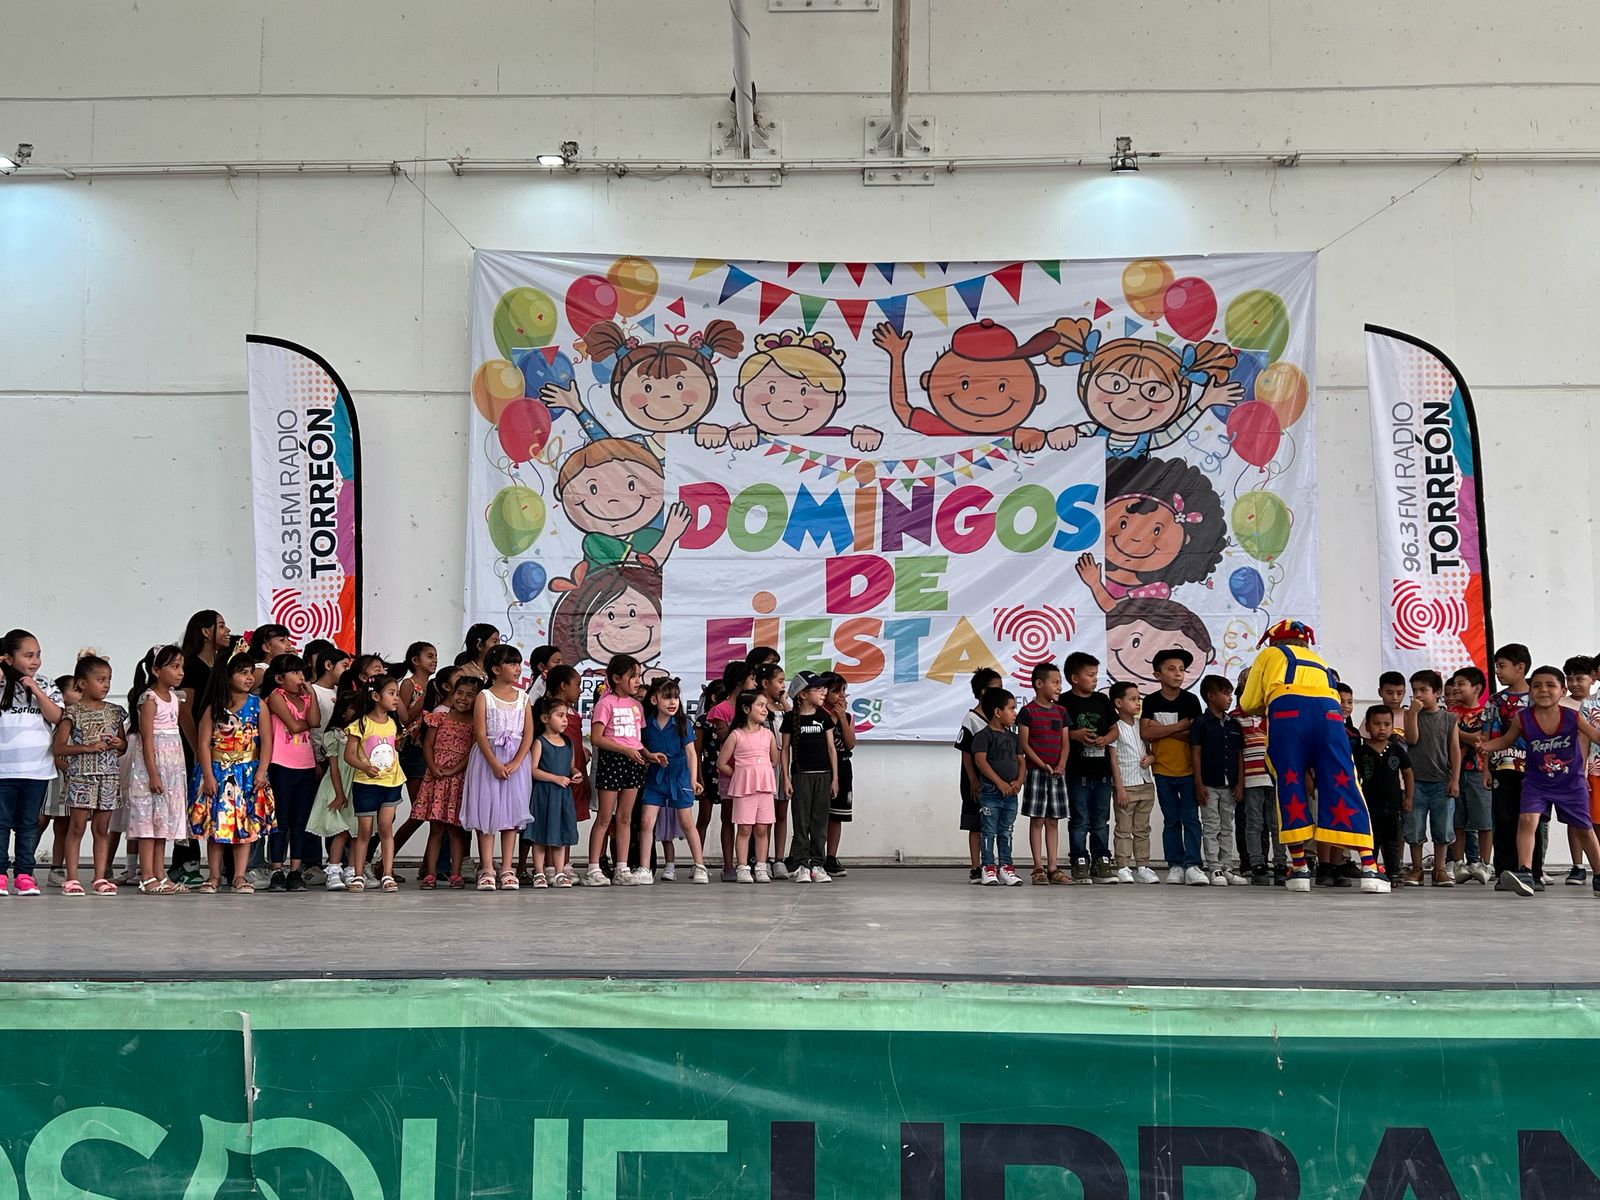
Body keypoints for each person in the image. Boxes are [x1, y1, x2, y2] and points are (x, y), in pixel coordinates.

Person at [1239, 620, 1385, 894]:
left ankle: (1299, 868)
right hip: (1329, 718)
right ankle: (1369, 867)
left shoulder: (1270, 654)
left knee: (1289, 785)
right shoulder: (1319, 661)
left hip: (1287, 717)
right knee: (1344, 782)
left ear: (1274, 642)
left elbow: (1248, 703)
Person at [1481, 664, 1600, 897]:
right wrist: (1485, 746)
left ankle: (1598, 874)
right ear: (1530, 691)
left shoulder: (1572, 716)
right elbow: (1506, 740)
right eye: (1536, 685)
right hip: (1536, 782)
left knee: (1584, 830)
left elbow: (1595, 735)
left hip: (1570, 783)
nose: (1543, 690)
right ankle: (1525, 872)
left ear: (1562, 691)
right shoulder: (1523, 718)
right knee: (1526, 820)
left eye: (1550, 685)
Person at [193, 653, 274, 895]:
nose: (249, 678)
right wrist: (208, 775)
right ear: (227, 677)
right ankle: (214, 875)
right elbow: (203, 743)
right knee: (217, 824)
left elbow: (267, 741)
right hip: (219, 772)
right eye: (242, 673)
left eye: (250, 672)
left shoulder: (258, 705)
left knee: (245, 825)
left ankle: (239, 876)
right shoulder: (214, 707)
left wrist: (262, 771)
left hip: (248, 773)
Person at [52, 654, 127, 897]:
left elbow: (123, 746)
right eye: (100, 679)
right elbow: (59, 747)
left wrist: (119, 743)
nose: (106, 685)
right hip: (81, 777)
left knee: (102, 828)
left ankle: (100, 877)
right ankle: (72, 878)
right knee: (76, 827)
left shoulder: (115, 712)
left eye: (109, 679)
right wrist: (87, 747)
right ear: (82, 683)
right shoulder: (72, 712)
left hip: (109, 776)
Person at [461, 644, 534, 891]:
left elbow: (528, 733)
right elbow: (480, 734)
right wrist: (494, 763)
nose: (517, 668)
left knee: (512, 814)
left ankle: (507, 868)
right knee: (488, 810)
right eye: (511, 663)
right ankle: (487, 868)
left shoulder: (524, 698)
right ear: (495, 669)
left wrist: (517, 761)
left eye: (518, 663)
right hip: (488, 760)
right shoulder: (485, 697)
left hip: (516, 761)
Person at [125, 645, 189, 895]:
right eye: (174, 667)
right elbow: (147, 739)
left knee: (163, 822)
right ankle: (147, 876)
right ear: (156, 670)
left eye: (181, 667)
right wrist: (153, 774)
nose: (180, 672)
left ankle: (160, 874)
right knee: (147, 822)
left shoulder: (175, 697)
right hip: (153, 767)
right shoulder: (149, 699)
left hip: (172, 767)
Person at [175, 610, 231, 888]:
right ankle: (185, 862)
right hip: (193, 743)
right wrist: (197, 746)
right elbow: (185, 712)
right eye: (221, 626)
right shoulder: (191, 666)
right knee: (191, 799)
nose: (227, 630)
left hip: (220, 745)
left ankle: (228, 865)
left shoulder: (222, 664)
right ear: (206, 632)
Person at [1141, 647, 1204, 885]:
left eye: (1182, 669)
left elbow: (1194, 735)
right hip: (1162, 769)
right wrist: (1179, 726)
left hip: (1188, 769)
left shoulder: (1191, 700)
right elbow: (1146, 732)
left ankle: (1193, 864)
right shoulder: (1151, 701)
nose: (1178, 673)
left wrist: (1162, 730)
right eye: (1171, 669)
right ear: (1158, 675)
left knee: (1191, 818)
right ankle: (1175, 864)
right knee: (1171, 819)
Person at [586, 653, 648, 886]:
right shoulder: (605, 703)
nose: (637, 681)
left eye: (639, 675)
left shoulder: (636, 706)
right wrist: (624, 750)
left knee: (625, 817)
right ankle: (593, 868)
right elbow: (597, 738)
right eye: (633, 676)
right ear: (616, 678)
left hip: (633, 762)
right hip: (612, 762)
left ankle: (622, 867)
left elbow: (636, 739)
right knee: (605, 817)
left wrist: (648, 754)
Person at [639, 677, 709, 883]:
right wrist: (650, 756)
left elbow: (691, 753)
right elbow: (640, 747)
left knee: (687, 822)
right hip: (655, 776)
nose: (672, 702)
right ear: (654, 700)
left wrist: (693, 779)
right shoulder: (646, 723)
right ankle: (645, 868)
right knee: (646, 821)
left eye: (676, 697)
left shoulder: (683, 723)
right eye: (667, 697)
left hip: (680, 777)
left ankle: (700, 865)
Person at [415, 674, 481, 889]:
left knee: (455, 830)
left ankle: (456, 874)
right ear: (451, 694)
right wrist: (434, 767)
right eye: (459, 693)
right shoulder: (440, 718)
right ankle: (430, 874)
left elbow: (471, 753)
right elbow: (427, 745)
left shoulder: (475, 725)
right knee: (436, 830)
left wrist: (453, 770)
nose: (463, 698)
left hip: (458, 780)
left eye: (470, 695)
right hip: (436, 779)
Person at [259, 653, 319, 892]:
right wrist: (308, 723)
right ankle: (276, 869)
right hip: (281, 764)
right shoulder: (276, 696)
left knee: (300, 821)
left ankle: (295, 870)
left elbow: (315, 720)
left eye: (301, 672)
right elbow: (294, 726)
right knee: (280, 820)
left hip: (306, 764)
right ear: (279, 678)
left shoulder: (305, 698)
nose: (300, 677)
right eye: (294, 673)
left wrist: (312, 694)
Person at [342, 674, 406, 893]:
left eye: (397, 694)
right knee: (365, 830)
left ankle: (387, 874)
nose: (396, 698)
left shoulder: (394, 723)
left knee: (386, 827)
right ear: (376, 696)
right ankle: (358, 874)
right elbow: (349, 755)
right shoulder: (360, 724)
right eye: (391, 693)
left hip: (391, 782)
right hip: (366, 784)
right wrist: (364, 767)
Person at [1061, 652, 1118, 882]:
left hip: (1102, 772)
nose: (1095, 679)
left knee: (1101, 820)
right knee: (1079, 819)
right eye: (1090, 675)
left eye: (1096, 674)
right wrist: (1075, 734)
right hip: (1077, 772)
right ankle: (1079, 860)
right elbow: (1058, 732)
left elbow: (1115, 729)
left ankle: (1101, 860)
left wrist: (1106, 739)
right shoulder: (1064, 702)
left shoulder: (1102, 700)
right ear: (1075, 678)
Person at [1402, 669, 1460, 887]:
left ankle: (1440, 869)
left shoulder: (1449, 718)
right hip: (1416, 782)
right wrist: (1413, 714)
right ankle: (1416, 869)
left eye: (1423, 690)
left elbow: (1454, 749)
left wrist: (1455, 779)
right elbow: (1412, 740)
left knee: (1443, 828)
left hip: (1441, 781)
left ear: (1437, 693)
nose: (1418, 694)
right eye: (1415, 690)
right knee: (1414, 826)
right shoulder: (1411, 714)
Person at [779, 671, 837, 883]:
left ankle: (818, 864)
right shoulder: (790, 718)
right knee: (801, 822)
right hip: (801, 777)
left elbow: (831, 748)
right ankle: (802, 864)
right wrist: (786, 778)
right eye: (818, 688)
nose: (823, 692)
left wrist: (835, 778)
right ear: (802, 694)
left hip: (823, 776)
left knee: (820, 822)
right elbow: (785, 750)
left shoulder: (823, 717)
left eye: (824, 688)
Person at [1485, 643, 1535, 884]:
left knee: (1531, 820)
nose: (1498, 672)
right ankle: (1504, 872)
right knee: (1503, 818)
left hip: (1533, 770)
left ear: (1520, 667)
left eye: (1502, 666)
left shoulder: (1536, 699)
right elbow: (1487, 736)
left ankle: (1532, 871)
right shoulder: (1495, 701)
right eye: (1496, 667)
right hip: (1502, 767)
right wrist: (1486, 769)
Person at [1016, 661, 1068, 884]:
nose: (1059, 687)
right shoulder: (1028, 712)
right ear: (1039, 684)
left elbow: (1065, 742)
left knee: (1053, 820)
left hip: (1057, 774)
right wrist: (1041, 764)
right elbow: (1024, 744)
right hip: (1036, 772)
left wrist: (1061, 765)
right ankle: (1038, 867)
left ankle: (1053, 867)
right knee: (1037, 819)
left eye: (1060, 683)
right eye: (1054, 683)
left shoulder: (1061, 711)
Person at [1190, 674, 1245, 886]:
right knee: (1211, 826)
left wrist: (1240, 783)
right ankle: (1214, 868)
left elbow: (1239, 755)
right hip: (1209, 784)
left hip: (1229, 785)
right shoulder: (1201, 723)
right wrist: (1198, 783)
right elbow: (1195, 754)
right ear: (1211, 696)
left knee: (1227, 826)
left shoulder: (1234, 725)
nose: (1230, 698)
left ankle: (1227, 867)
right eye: (1225, 694)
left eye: (1231, 694)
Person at [719, 689, 779, 883]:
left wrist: (760, 772)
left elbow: (774, 760)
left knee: (762, 829)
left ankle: (761, 867)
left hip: (764, 787)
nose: (764, 709)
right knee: (744, 828)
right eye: (760, 705)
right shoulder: (736, 735)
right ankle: (743, 868)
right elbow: (721, 763)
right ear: (746, 709)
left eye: (765, 706)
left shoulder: (768, 735)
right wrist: (740, 774)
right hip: (744, 789)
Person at [525, 696, 584, 888]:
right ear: (545, 718)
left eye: (566, 716)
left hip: (562, 796)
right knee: (539, 835)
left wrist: (575, 773)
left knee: (560, 835)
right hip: (544, 795)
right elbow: (533, 770)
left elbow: (571, 766)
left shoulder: (568, 743)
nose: (565, 720)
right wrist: (555, 778)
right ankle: (539, 873)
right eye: (560, 716)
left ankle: (559, 872)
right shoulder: (540, 742)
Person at [307, 690, 362, 891]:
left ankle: (352, 870)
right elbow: (335, 767)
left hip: (357, 784)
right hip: (338, 784)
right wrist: (339, 793)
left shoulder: (361, 731)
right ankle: (333, 870)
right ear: (342, 712)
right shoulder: (334, 735)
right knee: (341, 830)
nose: (357, 711)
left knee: (356, 830)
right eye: (353, 708)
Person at [972, 686, 1026, 886]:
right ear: (997, 712)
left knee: (1006, 830)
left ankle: (1006, 867)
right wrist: (999, 782)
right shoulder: (984, 736)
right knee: (988, 830)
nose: (1015, 713)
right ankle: (988, 867)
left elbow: (1021, 761)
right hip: (991, 793)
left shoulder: (1014, 738)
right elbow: (980, 761)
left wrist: (1019, 781)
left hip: (1010, 795)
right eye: (1011, 709)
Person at [1233, 668, 1282, 884]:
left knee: (1276, 823)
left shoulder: (1272, 714)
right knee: (1253, 823)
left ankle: (1280, 863)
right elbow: (1236, 752)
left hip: (1274, 777)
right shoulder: (1235, 718)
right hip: (1251, 779)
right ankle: (1256, 864)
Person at [1354, 706, 1412, 888]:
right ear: (1367, 726)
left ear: (1393, 726)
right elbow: (1354, 776)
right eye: (1377, 724)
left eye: (1387, 724)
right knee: (1372, 840)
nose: (1382, 728)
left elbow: (1408, 773)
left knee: (1392, 840)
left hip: (1393, 803)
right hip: (1368, 803)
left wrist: (1409, 797)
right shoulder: (1360, 751)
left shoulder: (1396, 749)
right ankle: (1370, 870)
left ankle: (1393, 873)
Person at [1448, 666, 1494, 885]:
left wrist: (1457, 733)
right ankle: (1459, 863)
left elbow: (1481, 739)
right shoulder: (1449, 713)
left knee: (1483, 821)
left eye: (1461, 684)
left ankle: (1485, 864)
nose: (1456, 688)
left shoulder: (1486, 713)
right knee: (1457, 820)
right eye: (1454, 684)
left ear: (1476, 688)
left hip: (1478, 772)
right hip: (1453, 773)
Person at [1109, 681, 1158, 883]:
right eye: (1132, 699)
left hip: (1145, 783)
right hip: (1126, 785)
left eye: (1139, 699)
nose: (1137, 703)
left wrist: (1151, 758)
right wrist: (1119, 788)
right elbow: (1113, 759)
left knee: (1142, 828)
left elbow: (1151, 751)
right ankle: (1123, 865)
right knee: (1123, 828)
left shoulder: (1141, 726)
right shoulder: (1115, 727)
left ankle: (1143, 865)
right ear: (1118, 703)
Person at [956, 667, 1003, 882]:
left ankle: (994, 864)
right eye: (996, 688)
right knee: (976, 824)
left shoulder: (999, 718)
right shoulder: (971, 719)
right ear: (984, 692)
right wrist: (973, 779)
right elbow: (966, 752)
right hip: (975, 782)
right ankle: (976, 866)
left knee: (996, 824)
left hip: (996, 781)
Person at [546, 665, 590, 884]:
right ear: (563, 686)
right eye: (577, 685)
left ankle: (565, 863)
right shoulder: (548, 709)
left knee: (568, 817)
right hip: (556, 770)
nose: (580, 690)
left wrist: (582, 751)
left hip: (574, 770)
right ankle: (549, 865)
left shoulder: (572, 712)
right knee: (553, 816)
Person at [757, 663, 792, 878]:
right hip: (765, 765)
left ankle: (779, 859)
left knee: (781, 812)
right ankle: (764, 858)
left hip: (783, 765)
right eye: (779, 681)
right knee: (765, 814)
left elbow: (795, 722)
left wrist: (785, 702)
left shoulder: (783, 709)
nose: (783, 685)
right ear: (765, 683)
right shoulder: (760, 707)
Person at [823, 673, 855, 878]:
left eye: (843, 691)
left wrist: (842, 717)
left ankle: (831, 856)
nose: (841, 695)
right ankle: (813, 854)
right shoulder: (817, 714)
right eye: (836, 691)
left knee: (837, 815)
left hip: (842, 767)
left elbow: (850, 743)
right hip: (822, 767)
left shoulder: (848, 716)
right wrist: (834, 717)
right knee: (818, 814)